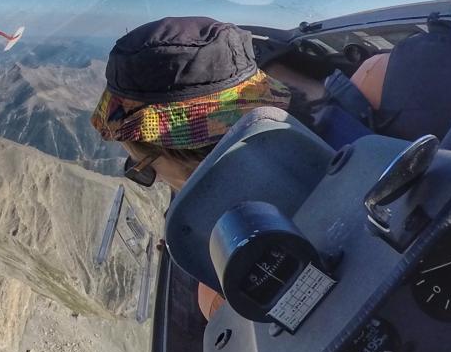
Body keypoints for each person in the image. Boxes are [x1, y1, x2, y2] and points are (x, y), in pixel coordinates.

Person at [89, 16, 320, 318]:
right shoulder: (337, 128)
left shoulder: (225, 288)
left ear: (189, 158)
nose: (154, 181)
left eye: (144, 167)